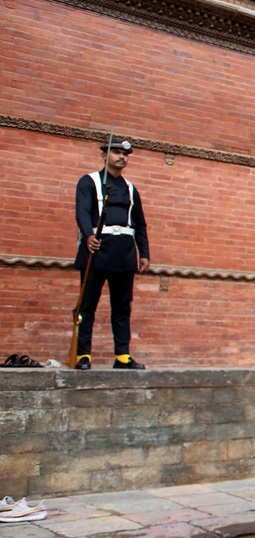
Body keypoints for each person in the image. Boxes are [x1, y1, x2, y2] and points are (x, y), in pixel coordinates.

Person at [72, 138, 150, 370]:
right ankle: (83, 355)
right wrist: (88, 235)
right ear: (104, 155)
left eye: (125, 154)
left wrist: (144, 253)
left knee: (122, 307)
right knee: (87, 306)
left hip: (124, 252)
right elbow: (82, 212)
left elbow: (140, 224)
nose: (121, 157)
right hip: (97, 249)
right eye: (116, 152)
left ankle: (122, 356)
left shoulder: (130, 188)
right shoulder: (89, 182)